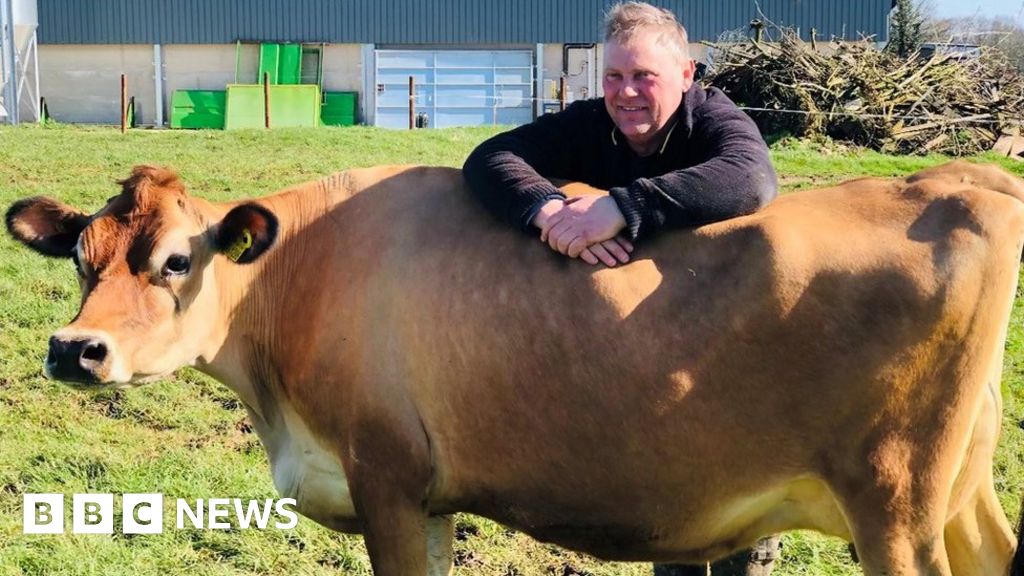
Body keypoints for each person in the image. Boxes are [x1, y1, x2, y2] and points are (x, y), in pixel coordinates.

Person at [463, 2, 781, 575]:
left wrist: (622, 206)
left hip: (731, 355)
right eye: (614, 76)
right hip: (647, 360)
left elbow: (751, 178)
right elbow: (490, 157)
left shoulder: (712, 120)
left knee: (739, 521)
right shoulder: (591, 125)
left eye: (644, 76)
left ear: (686, 76)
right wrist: (551, 213)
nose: (626, 92)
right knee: (670, 519)